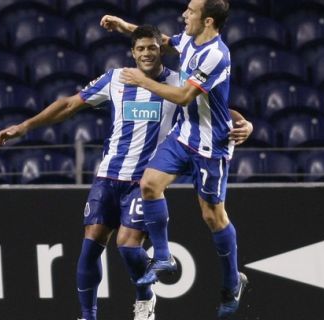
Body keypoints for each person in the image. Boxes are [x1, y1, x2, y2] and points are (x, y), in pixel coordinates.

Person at [0, 24, 250, 320]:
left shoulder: (177, 84)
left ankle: (145, 299)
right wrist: (24, 127)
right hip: (108, 176)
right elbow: (68, 105)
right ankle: (88, 316)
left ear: (161, 49)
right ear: (132, 52)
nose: (146, 54)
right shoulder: (116, 79)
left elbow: (214, 109)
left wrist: (246, 123)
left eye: (152, 48)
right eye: (140, 49)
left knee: (127, 247)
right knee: (90, 246)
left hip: (142, 182)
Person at [100, 0, 252, 318]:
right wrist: (124, 26)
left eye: (191, 11)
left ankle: (231, 280)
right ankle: (165, 255)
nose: (185, 14)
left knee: (213, 216)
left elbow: (184, 96)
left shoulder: (215, 54)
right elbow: (167, 42)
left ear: (208, 21)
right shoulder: (191, 41)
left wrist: (143, 81)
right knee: (150, 183)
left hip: (212, 147)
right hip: (184, 137)